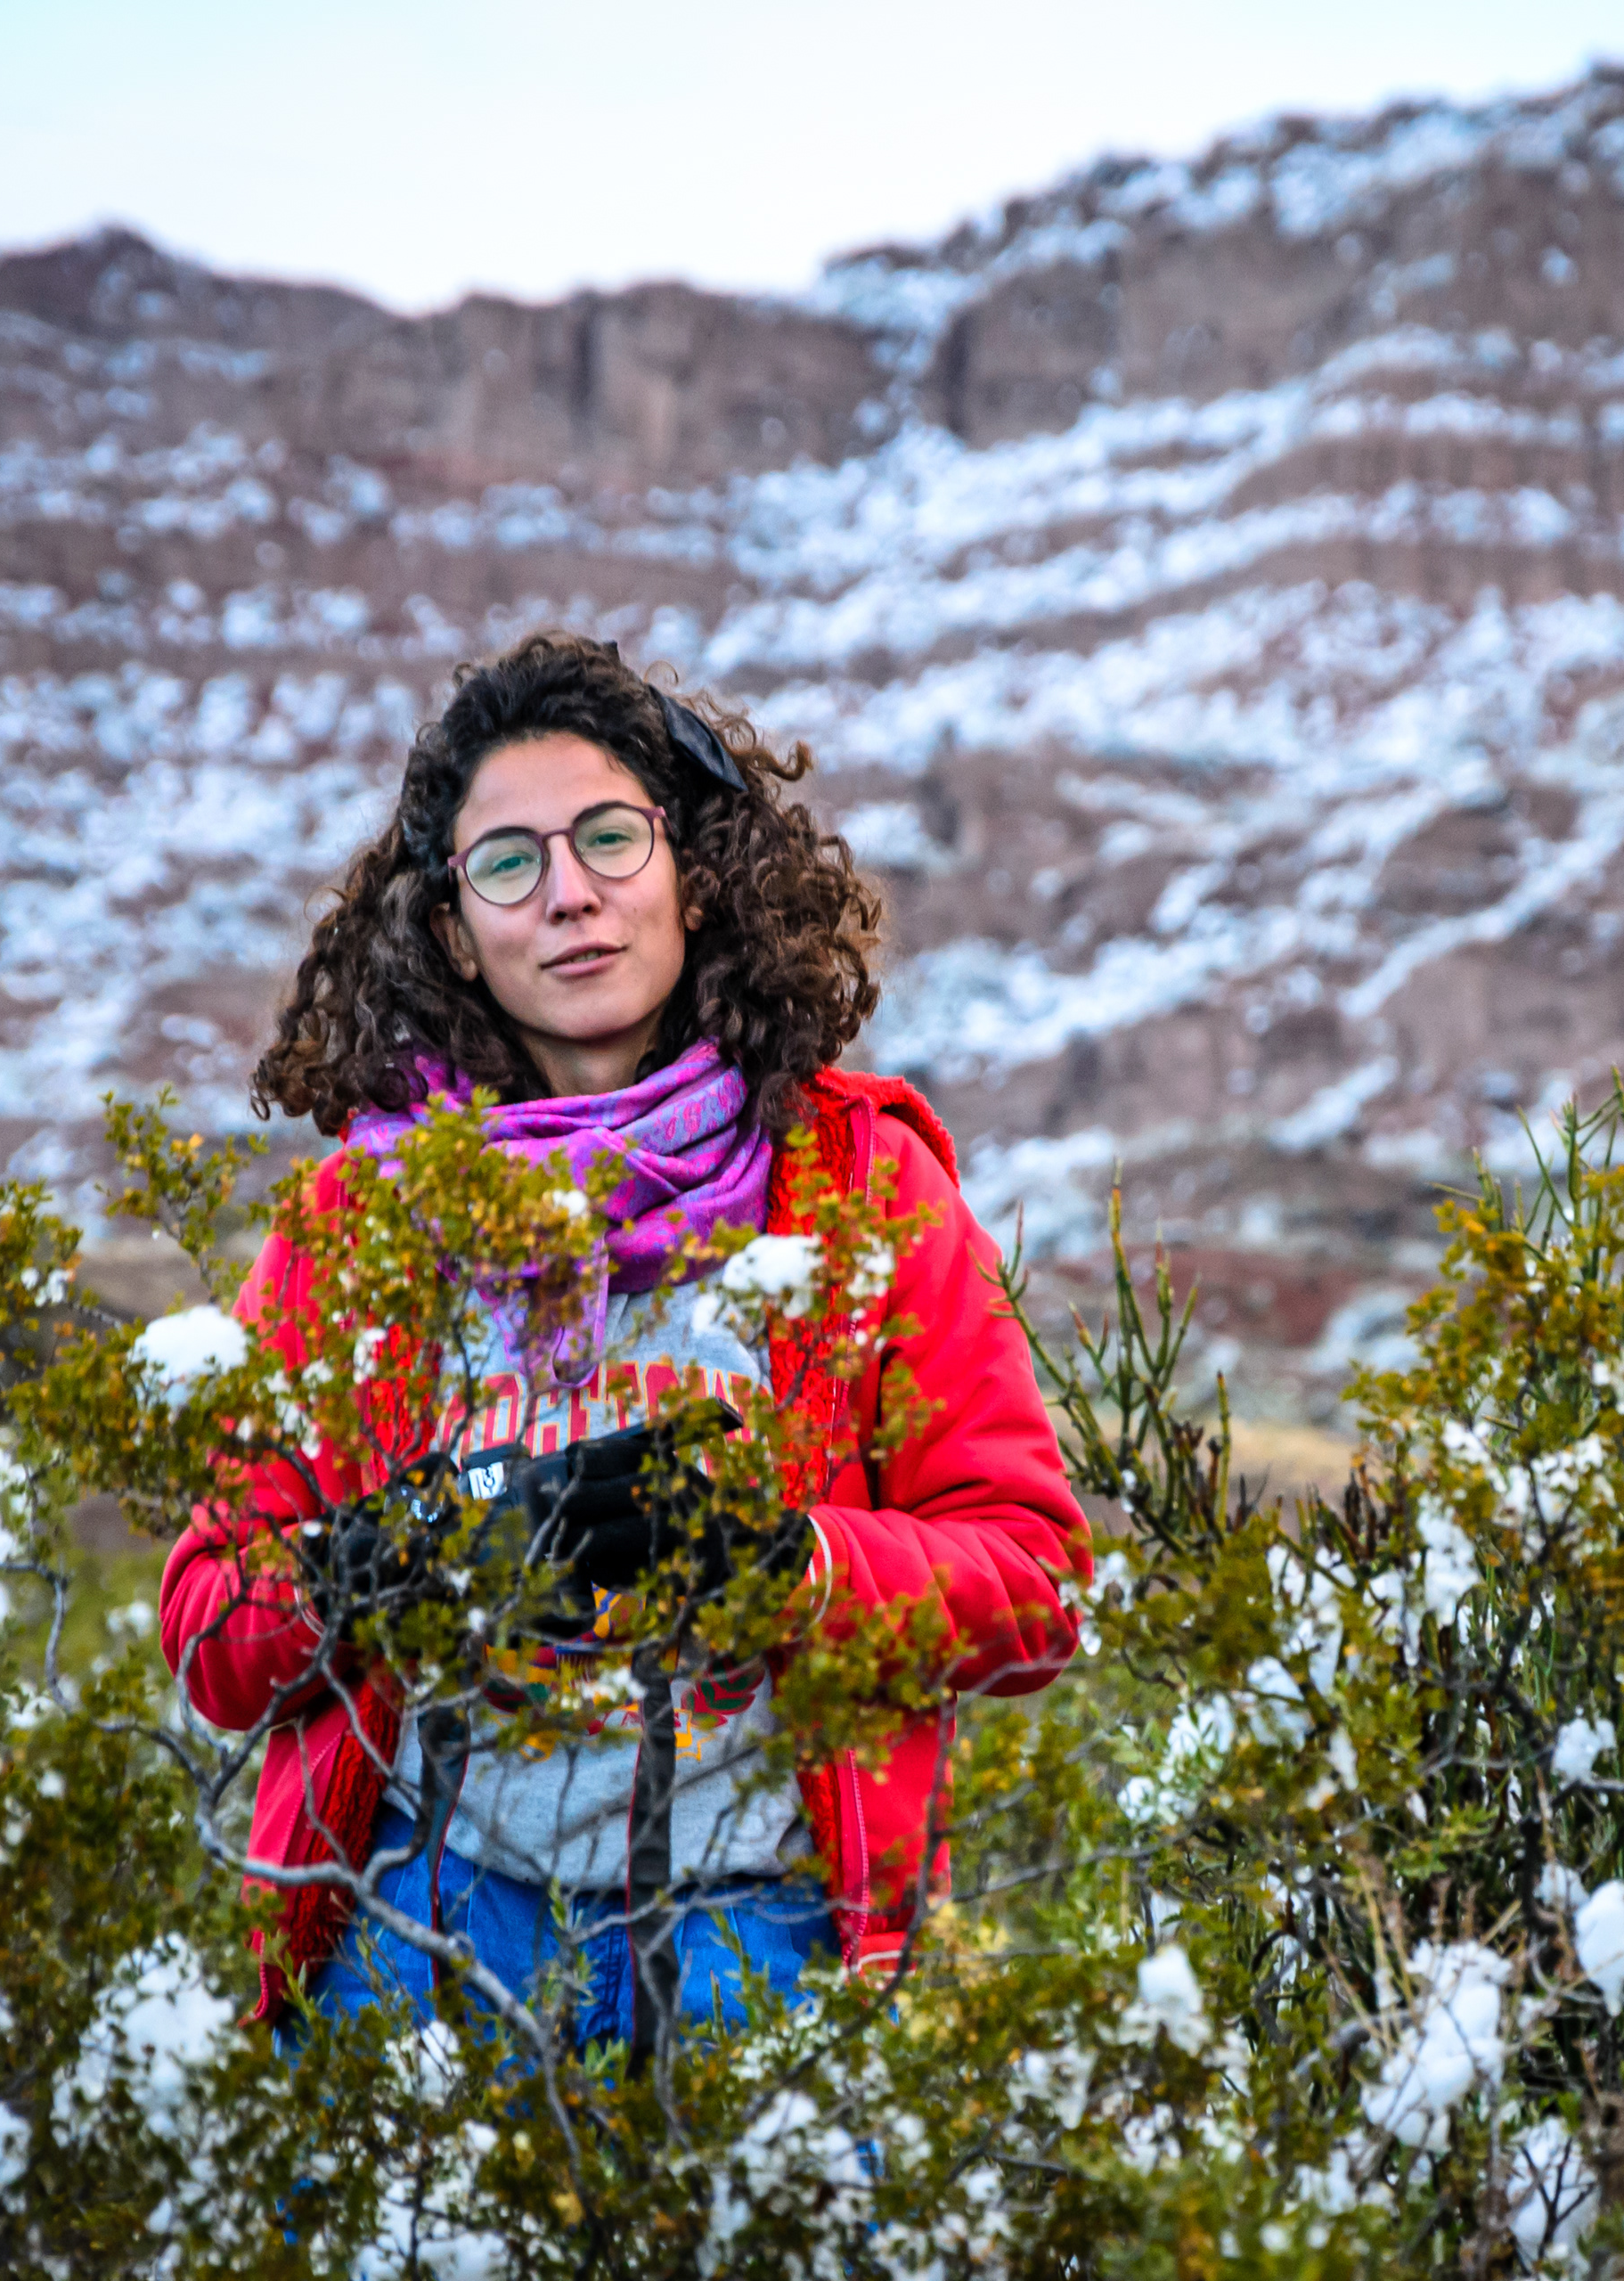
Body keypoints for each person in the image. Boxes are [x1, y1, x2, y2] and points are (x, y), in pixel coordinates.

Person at [157, 632, 1087, 2055]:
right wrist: (399, 1561)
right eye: (511, 862)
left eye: (609, 837)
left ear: (694, 874)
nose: (572, 894)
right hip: (416, 1928)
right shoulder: (361, 1217)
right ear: (455, 928)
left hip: (753, 1938)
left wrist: (787, 1564)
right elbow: (214, 1630)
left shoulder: (858, 1181)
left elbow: (1034, 1578)